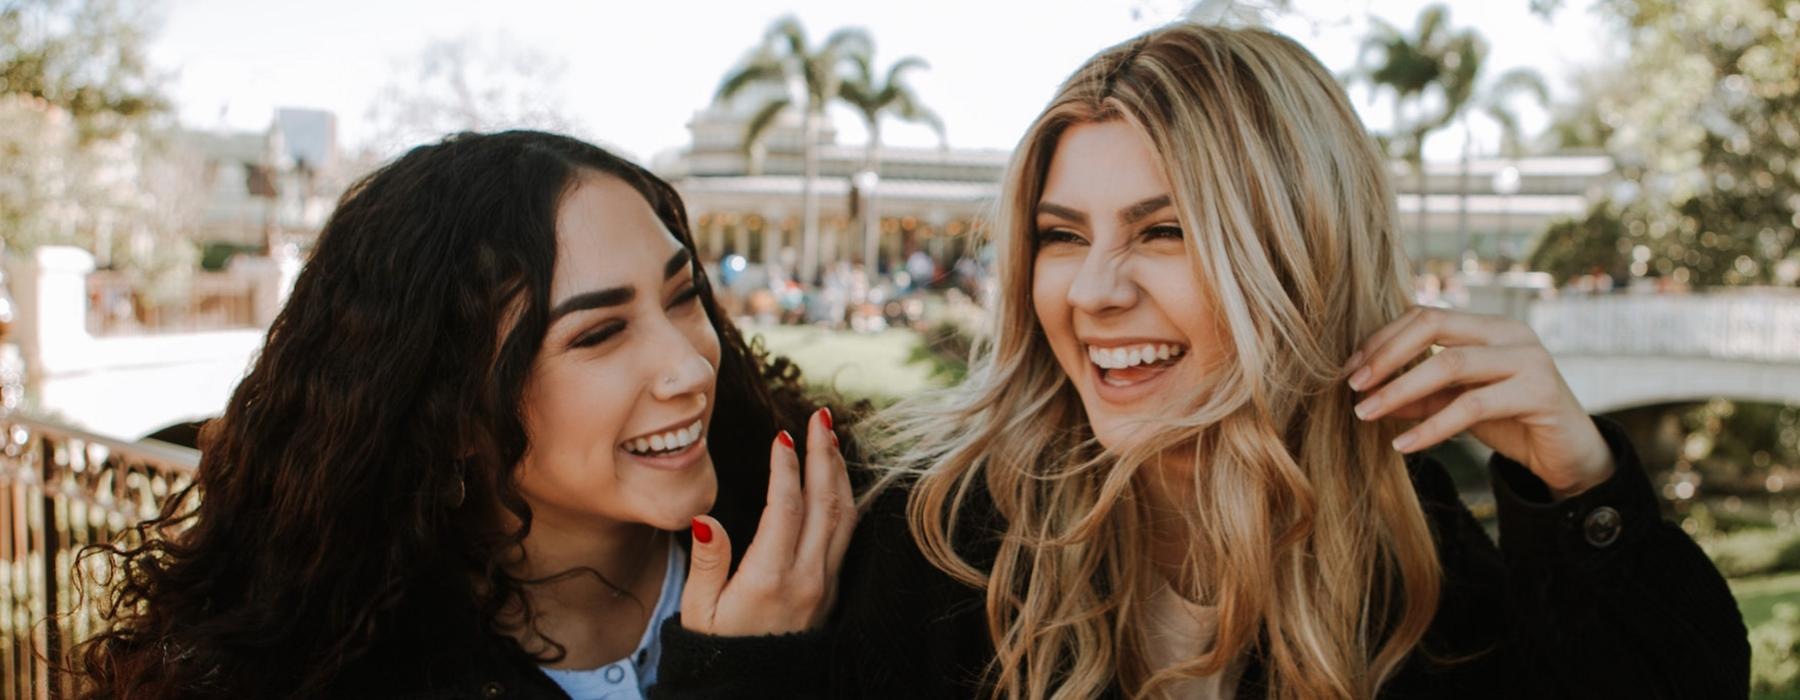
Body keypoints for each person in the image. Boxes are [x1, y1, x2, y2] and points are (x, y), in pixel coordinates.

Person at [655, 24, 1746, 699]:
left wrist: (1586, 496)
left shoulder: (1416, 554)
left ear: (1300, 253)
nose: (1093, 291)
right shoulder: (939, 545)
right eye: (1063, 234)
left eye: (1165, 230)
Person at [72, 131, 856, 700]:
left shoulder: (856, 560)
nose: (692, 364)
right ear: (445, 402)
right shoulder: (321, 667)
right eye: (599, 333)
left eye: (683, 296)